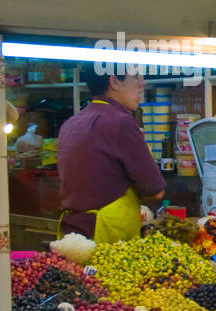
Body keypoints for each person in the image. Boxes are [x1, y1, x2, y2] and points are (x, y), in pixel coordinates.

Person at [56, 67, 165, 242]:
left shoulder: (72, 122)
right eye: (135, 76)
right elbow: (156, 191)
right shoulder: (120, 123)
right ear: (114, 81)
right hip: (108, 238)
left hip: (73, 235)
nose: (142, 83)